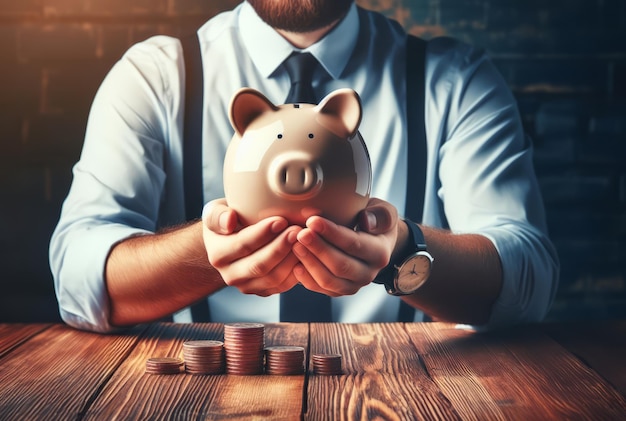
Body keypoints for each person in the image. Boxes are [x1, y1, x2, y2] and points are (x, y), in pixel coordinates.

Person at [49, 0, 559, 333]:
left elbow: (528, 278)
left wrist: (402, 251)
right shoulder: (156, 77)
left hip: (402, 394)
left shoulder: (454, 82)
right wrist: (211, 251)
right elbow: (77, 277)